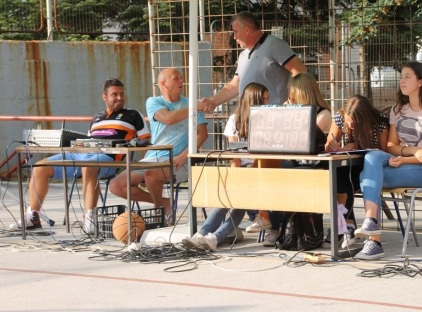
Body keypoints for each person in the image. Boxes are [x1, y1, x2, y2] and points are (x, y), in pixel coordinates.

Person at [10, 78, 150, 234]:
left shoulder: (133, 115)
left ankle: (90, 217)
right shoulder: (97, 118)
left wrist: (143, 170)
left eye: (122, 94)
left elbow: (145, 142)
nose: (119, 98)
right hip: (82, 155)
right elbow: (89, 141)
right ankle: (33, 216)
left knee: (88, 166)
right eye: (114, 94)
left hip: (108, 160)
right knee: (40, 167)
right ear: (104, 97)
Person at [354, 62, 422, 260]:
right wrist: (412, 151)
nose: (402, 80)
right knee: (373, 155)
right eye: (402, 76)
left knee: (365, 178)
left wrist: (410, 159)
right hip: (403, 160)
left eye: (408, 76)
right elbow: (390, 146)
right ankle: (371, 227)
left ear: (420, 82)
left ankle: (373, 240)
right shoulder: (398, 110)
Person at [109, 68, 208, 221]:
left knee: (151, 175)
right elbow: (167, 119)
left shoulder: (190, 103)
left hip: (179, 160)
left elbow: (202, 134)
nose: (181, 81)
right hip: (152, 159)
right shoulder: (154, 101)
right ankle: (162, 202)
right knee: (116, 185)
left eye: (181, 78)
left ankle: (158, 212)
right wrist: (194, 108)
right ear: (163, 83)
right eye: (176, 78)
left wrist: (184, 155)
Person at [246, 72, 332, 246]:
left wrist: (290, 113)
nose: (289, 97)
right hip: (296, 163)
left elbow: (303, 136)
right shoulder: (296, 111)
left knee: (276, 171)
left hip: (316, 167)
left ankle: (274, 226)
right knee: (263, 169)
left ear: (302, 92)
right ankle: (269, 221)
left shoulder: (324, 114)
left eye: (292, 92)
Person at [183, 83, 270, 251]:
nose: (268, 102)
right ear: (254, 100)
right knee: (225, 200)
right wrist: (238, 177)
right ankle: (203, 235)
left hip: (259, 170)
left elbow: (262, 157)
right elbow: (233, 155)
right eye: (264, 98)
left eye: (267, 98)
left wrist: (248, 174)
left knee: (238, 203)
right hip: (238, 171)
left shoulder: (267, 120)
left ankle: (212, 237)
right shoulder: (234, 119)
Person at [199, 11, 306, 110]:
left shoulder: (274, 45)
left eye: (236, 32)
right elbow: (234, 85)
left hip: (274, 114)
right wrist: (213, 101)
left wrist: (293, 100)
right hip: (249, 115)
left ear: (246, 30)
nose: (234, 37)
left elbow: (299, 71)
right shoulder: (243, 55)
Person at [324, 95, 389, 248]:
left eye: (354, 121)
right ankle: (347, 224)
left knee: (346, 176)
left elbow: (384, 151)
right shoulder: (339, 118)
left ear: (365, 118)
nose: (350, 124)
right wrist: (330, 145)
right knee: (337, 174)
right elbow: (328, 142)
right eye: (348, 120)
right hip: (347, 164)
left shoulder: (380, 122)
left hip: (369, 166)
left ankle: (345, 225)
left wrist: (357, 144)